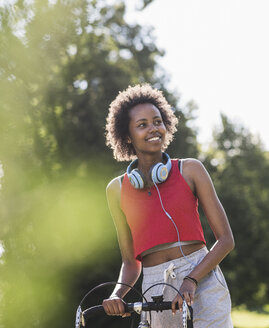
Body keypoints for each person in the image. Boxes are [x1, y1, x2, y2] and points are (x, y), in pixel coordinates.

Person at [102, 84, 235, 327]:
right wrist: (116, 295)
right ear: (128, 136)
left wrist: (191, 280)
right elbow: (131, 263)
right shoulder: (116, 189)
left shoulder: (191, 170)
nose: (153, 128)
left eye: (157, 121)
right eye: (142, 125)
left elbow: (226, 240)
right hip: (154, 289)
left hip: (202, 279)